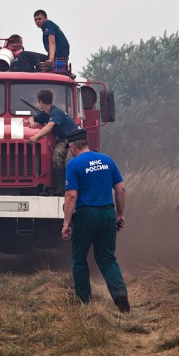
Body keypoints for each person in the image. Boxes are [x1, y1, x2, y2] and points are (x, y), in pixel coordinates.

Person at [61, 128, 130, 313]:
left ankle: (85, 302)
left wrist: (66, 223)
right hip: (107, 214)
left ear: (74, 147)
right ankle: (120, 295)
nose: (70, 151)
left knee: (79, 258)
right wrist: (120, 215)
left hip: (85, 216)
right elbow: (121, 189)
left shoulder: (73, 165)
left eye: (70, 149)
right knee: (107, 258)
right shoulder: (107, 160)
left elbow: (71, 196)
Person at [26, 89, 78, 195]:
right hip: (64, 141)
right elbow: (31, 118)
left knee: (69, 161)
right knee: (56, 156)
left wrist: (36, 137)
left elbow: (50, 126)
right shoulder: (45, 114)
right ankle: (59, 188)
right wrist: (32, 123)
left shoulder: (56, 112)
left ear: (40, 102)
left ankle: (72, 189)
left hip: (75, 139)